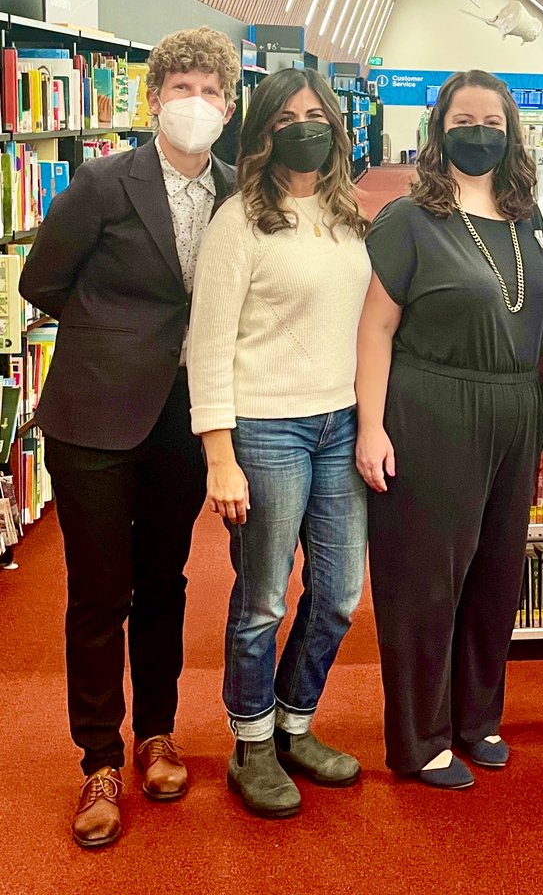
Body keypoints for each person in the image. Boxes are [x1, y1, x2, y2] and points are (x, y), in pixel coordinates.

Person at [19, 27, 239, 848]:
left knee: (164, 583)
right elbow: (40, 280)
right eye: (181, 88)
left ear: (229, 105)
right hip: (96, 417)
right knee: (98, 590)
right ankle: (99, 761)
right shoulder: (103, 182)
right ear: (153, 99)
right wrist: (115, 336)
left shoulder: (237, 192)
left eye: (211, 91)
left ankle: (156, 734)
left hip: (186, 419)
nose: (196, 103)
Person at [357, 70, 543, 790]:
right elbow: (375, 329)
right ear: (438, 131)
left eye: (493, 123)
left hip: (517, 407)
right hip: (432, 406)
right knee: (426, 580)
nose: (480, 134)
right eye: (464, 121)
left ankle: (477, 718)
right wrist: (371, 426)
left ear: (512, 135)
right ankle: (420, 738)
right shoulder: (409, 219)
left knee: (496, 574)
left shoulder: (526, 217)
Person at [188, 68, 371, 818]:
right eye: (287, 117)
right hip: (266, 428)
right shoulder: (239, 221)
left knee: (340, 594)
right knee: (263, 597)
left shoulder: (346, 212)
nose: (305, 127)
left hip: (340, 423)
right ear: (262, 131)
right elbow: (208, 342)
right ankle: (252, 744)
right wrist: (220, 456)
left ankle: (295, 722)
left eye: (316, 115)